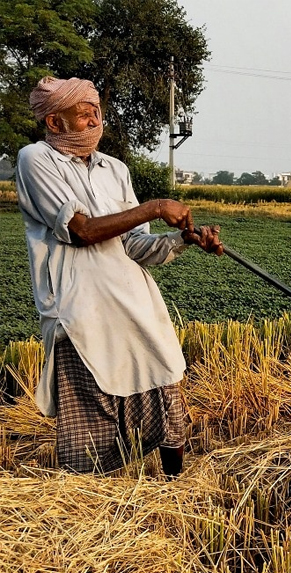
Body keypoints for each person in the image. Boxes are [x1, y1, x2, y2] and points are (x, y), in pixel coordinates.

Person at [14, 75, 222, 476]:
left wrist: (187, 239)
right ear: (55, 123)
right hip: (80, 313)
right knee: (88, 424)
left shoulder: (115, 169)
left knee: (165, 393)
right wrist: (156, 206)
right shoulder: (35, 159)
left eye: (97, 112)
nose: (95, 121)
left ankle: (174, 488)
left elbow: (134, 246)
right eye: (83, 114)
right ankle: (94, 508)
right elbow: (81, 230)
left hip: (133, 304)